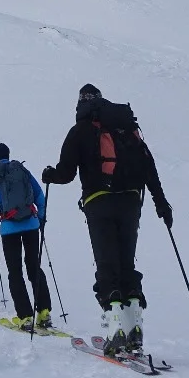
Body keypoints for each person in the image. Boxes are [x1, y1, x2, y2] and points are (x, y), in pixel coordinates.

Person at [42, 84, 172, 356]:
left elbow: (66, 173)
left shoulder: (80, 130)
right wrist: (161, 203)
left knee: (106, 264)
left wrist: (50, 175)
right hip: (130, 203)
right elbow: (149, 167)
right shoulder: (125, 128)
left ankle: (116, 329)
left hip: (99, 202)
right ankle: (134, 327)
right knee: (126, 263)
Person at [0, 143, 52, 333]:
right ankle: (44, 313)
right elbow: (39, 195)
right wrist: (41, 217)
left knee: (15, 271)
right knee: (34, 266)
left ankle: (25, 316)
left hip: (9, 229)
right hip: (31, 224)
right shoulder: (22, 171)